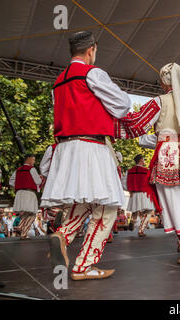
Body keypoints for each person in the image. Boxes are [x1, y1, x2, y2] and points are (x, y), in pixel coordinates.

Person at [42, 31, 132, 280]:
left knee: (83, 200)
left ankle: (62, 235)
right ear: (92, 49)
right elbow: (122, 104)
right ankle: (84, 265)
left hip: (65, 148)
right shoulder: (93, 73)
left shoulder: (59, 81)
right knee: (107, 207)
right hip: (91, 145)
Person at [116, 63, 180, 265]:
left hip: (167, 156)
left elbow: (137, 123)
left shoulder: (159, 101)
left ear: (164, 82)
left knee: (171, 205)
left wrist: (111, 116)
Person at [122, 154, 161, 237]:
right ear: (140, 160)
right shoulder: (146, 171)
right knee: (149, 211)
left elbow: (124, 182)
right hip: (144, 193)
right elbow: (152, 181)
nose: (144, 161)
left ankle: (133, 220)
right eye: (143, 160)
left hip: (134, 193)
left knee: (135, 209)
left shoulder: (129, 171)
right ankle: (141, 229)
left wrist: (129, 189)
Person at [9, 154, 42, 239]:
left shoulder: (18, 170)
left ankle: (21, 229)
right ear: (29, 159)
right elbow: (38, 181)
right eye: (33, 160)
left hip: (20, 193)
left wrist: (19, 185)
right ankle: (22, 230)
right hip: (29, 192)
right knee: (33, 213)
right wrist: (40, 178)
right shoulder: (32, 169)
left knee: (25, 213)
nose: (34, 162)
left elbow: (11, 182)